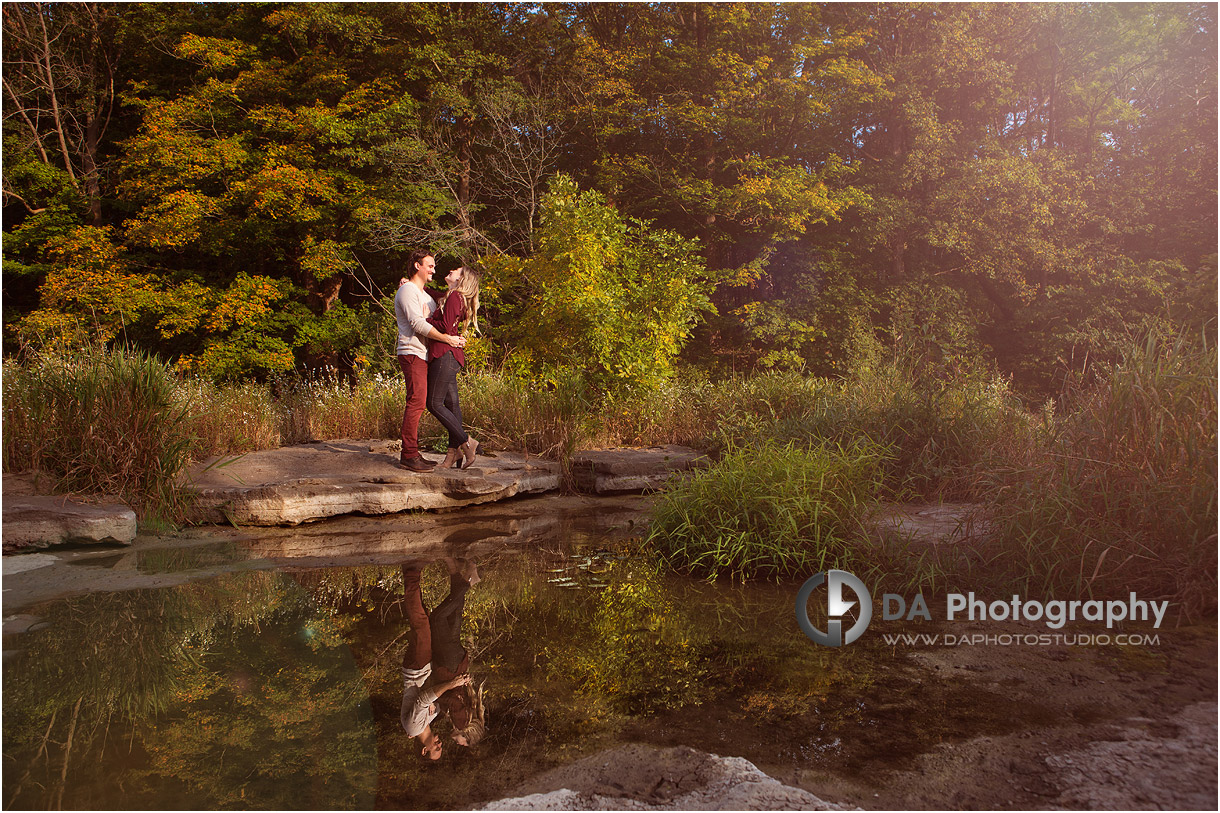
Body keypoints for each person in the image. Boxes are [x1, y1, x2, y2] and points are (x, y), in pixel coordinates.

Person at [395, 251, 465, 472]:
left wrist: (454, 336)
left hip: (425, 354)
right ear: (417, 266)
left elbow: (442, 320)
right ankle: (408, 455)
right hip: (411, 351)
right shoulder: (407, 291)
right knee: (417, 402)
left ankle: (414, 452)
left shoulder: (425, 295)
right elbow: (417, 323)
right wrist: (447, 339)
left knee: (423, 401)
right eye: (430, 266)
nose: (434, 270)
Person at [400, 563, 474, 760]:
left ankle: (412, 572)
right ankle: (415, 574)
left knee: (421, 624)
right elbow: (436, 700)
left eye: (437, 748)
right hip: (426, 667)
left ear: (425, 749)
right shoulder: (429, 721)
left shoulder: (414, 727)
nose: (440, 744)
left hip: (416, 668)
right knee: (425, 619)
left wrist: (453, 683)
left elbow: (424, 698)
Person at [426, 265, 482, 470]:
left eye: (455, 271)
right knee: (452, 405)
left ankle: (467, 441)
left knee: (433, 403)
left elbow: (445, 327)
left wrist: (424, 320)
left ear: (461, 279)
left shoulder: (454, 297)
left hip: (444, 355)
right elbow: (436, 294)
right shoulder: (454, 296)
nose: (450, 271)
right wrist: (420, 287)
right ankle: (452, 456)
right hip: (451, 356)